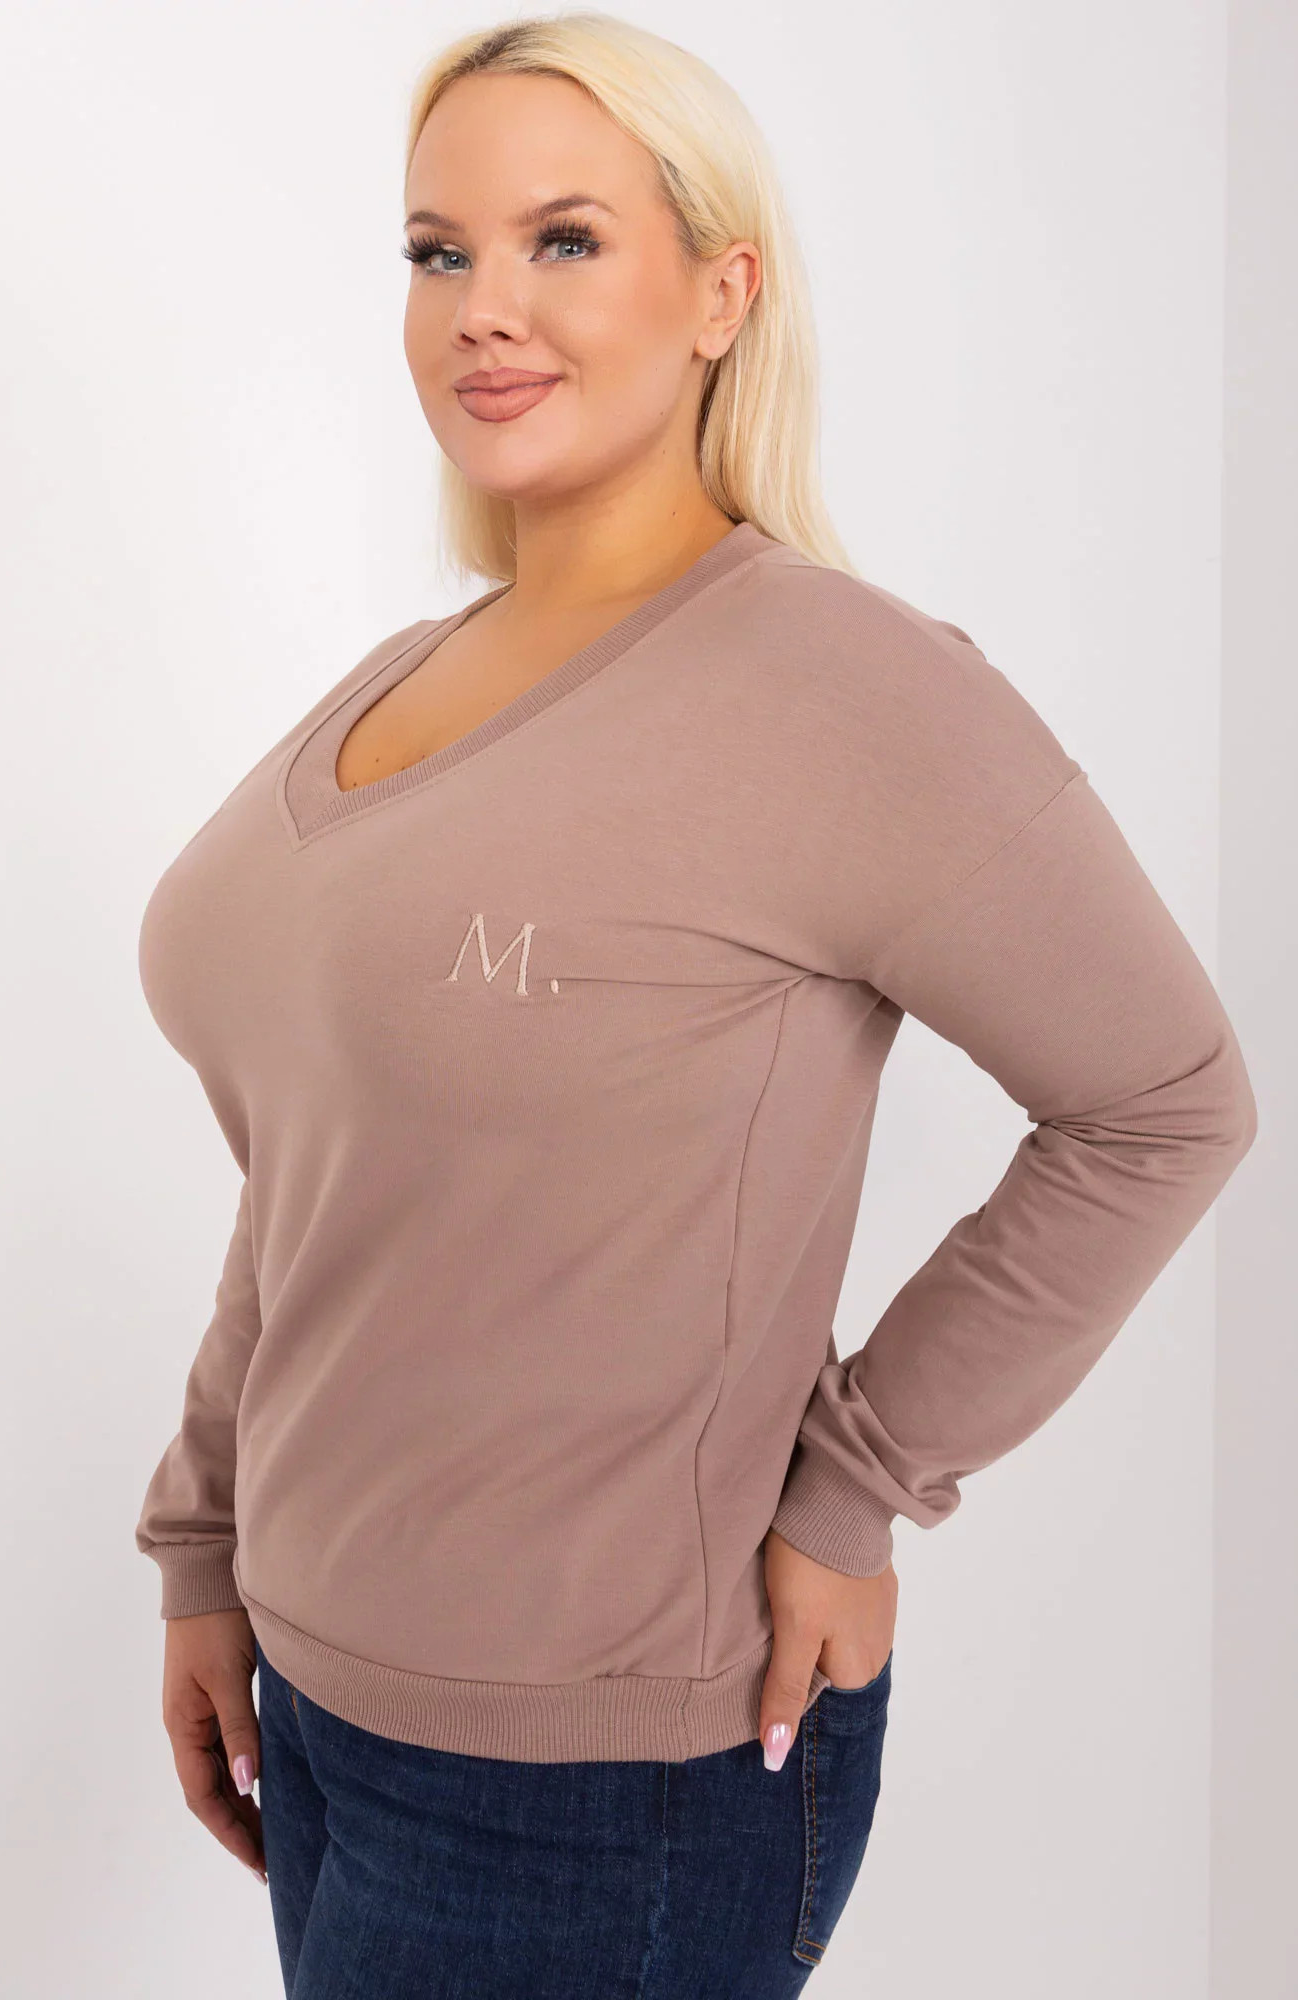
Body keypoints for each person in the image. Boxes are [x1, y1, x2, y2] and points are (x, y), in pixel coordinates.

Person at [131, 13, 1259, 1997]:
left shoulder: (848, 692)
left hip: (602, 1784)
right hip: (314, 1706)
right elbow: (319, 1174)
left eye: (564, 240)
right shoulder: (403, 675)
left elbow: (1164, 1103)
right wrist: (206, 1550)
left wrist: (855, 1490)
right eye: (438, 251)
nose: (485, 307)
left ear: (723, 293)